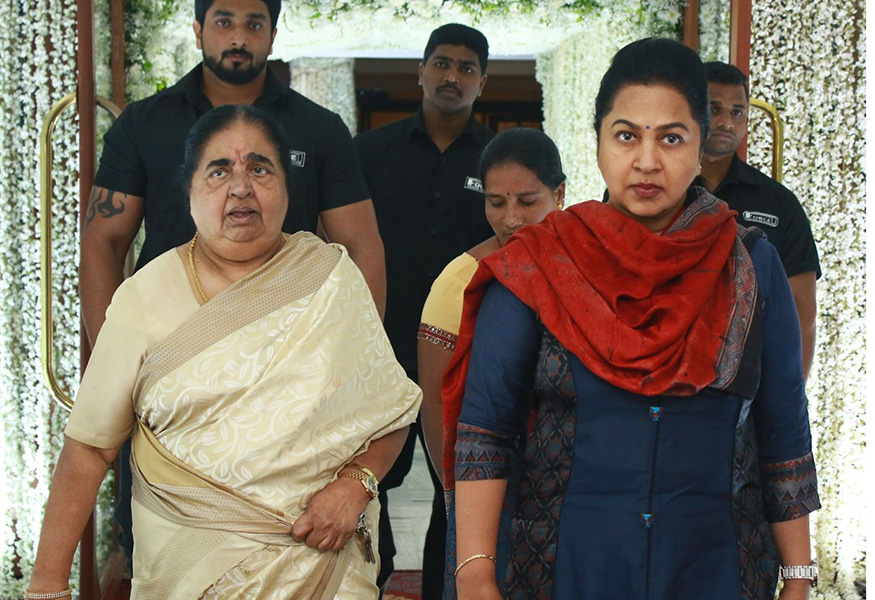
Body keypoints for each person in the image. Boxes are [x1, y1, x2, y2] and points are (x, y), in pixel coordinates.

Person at [450, 38, 820, 600]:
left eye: (671, 138)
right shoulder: (542, 263)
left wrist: (797, 575)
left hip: (716, 566)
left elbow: (783, 424)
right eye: (626, 136)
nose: (647, 161)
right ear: (598, 141)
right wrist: (475, 572)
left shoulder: (750, 265)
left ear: (701, 146)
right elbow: (486, 429)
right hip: (563, 567)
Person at [26, 105, 421, 600]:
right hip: (187, 574)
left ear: (287, 188)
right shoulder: (143, 297)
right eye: (219, 171)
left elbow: (389, 411)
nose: (240, 187)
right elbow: (90, 447)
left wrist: (356, 484)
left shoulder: (331, 278)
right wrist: (46, 584)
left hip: (322, 563)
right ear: (188, 190)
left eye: (260, 169)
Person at [83, 0, 386, 568]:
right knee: (163, 550)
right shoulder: (145, 123)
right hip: (173, 377)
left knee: (300, 542)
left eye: (254, 23)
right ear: (198, 29)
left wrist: (350, 359)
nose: (239, 36)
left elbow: (362, 246)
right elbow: (103, 239)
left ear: (273, 32)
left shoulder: (318, 128)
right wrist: (116, 360)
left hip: (290, 382)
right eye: (224, 22)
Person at [354, 23, 494, 597]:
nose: (452, 76)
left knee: (455, 486)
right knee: (367, 479)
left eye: (466, 68)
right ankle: (369, 581)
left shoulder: (495, 160)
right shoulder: (370, 153)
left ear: (482, 82)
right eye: (442, 63)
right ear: (420, 71)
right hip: (379, 349)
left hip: (467, 354)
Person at [416, 127, 565, 598]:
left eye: (527, 201)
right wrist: (455, 496)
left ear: (560, 194)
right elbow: (435, 404)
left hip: (568, 483)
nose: (511, 218)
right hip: (486, 482)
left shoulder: (581, 270)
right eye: (496, 202)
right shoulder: (459, 280)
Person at [700, 61, 820, 379]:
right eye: (714, 108)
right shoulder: (656, 191)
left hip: (751, 381)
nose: (726, 122)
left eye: (737, 112)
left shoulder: (779, 203)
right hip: (660, 377)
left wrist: (791, 393)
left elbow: (801, 310)